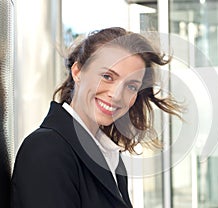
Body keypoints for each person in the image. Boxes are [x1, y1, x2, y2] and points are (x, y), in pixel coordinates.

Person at [11, 27, 182, 208]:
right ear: (77, 72)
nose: (116, 95)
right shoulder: (47, 149)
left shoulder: (109, 156)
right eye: (107, 76)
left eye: (131, 86)